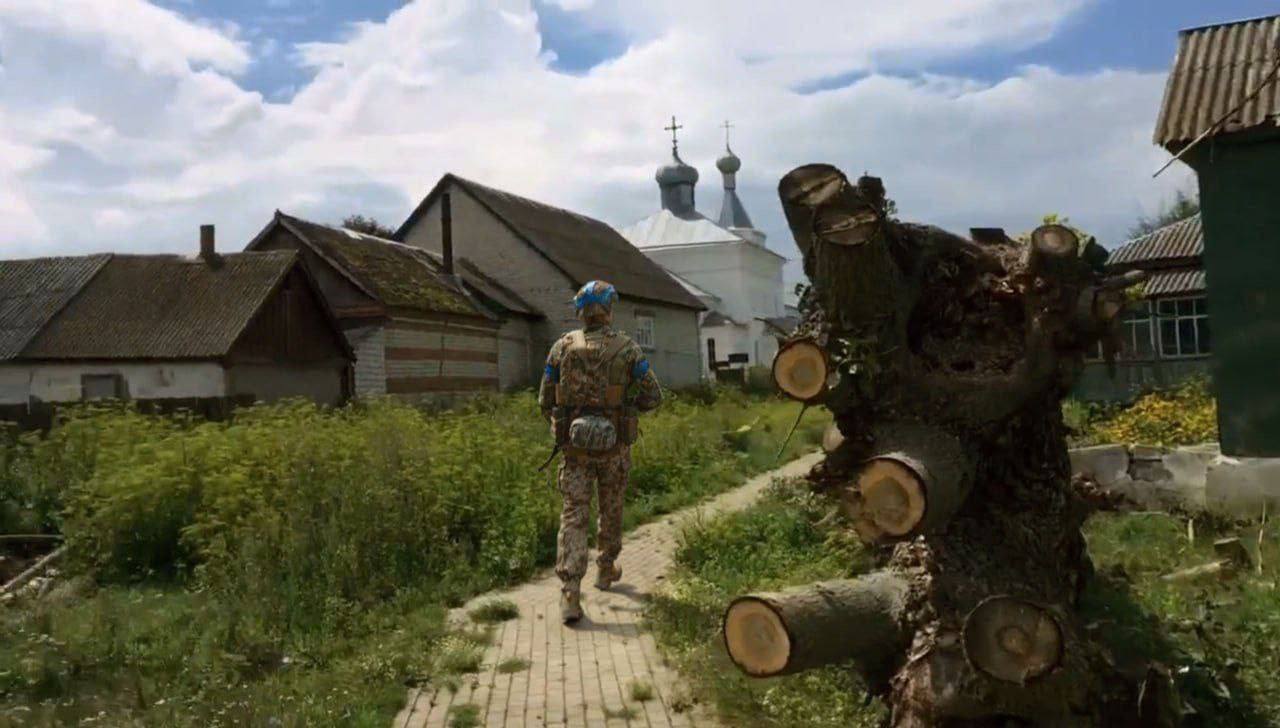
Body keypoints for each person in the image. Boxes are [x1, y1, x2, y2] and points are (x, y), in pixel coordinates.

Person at [539, 280, 662, 624]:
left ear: (580, 311)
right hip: (614, 448)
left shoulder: (561, 348)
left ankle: (570, 593)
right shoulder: (628, 349)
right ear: (609, 309)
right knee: (611, 509)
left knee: (574, 515)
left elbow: (544, 400)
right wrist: (626, 409)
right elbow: (654, 396)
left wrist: (564, 425)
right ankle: (606, 569)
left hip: (575, 451)